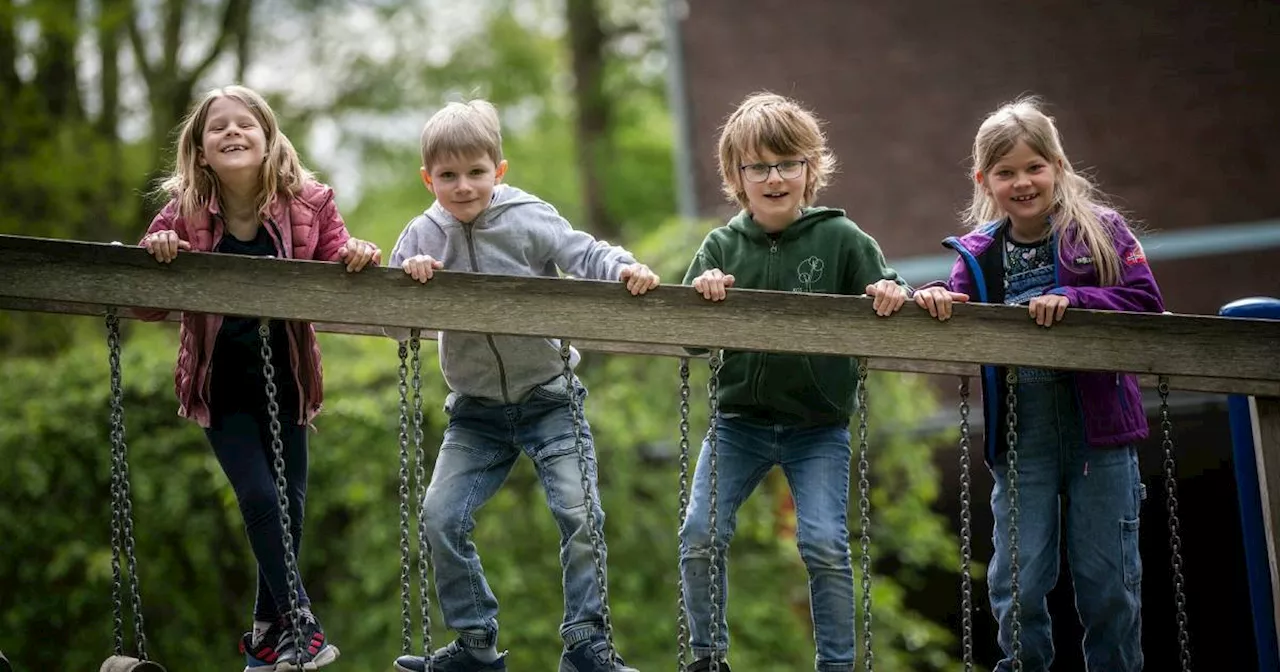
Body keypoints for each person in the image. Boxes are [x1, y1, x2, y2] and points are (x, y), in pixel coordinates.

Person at [387, 99, 657, 672]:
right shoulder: (421, 235)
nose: (463, 187)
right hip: (475, 412)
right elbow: (390, 323)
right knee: (439, 516)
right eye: (448, 176)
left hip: (549, 398)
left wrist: (625, 269)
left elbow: (584, 253)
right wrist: (413, 287)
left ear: (499, 170)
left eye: (476, 173)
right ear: (427, 178)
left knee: (580, 513)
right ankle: (476, 642)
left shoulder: (528, 216)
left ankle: (586, 641)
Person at [907, 97, 1165, 671]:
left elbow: (1147, 302)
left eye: (1033, 167)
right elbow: (958, 306)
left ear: (1058, 166)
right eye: (1006, 172)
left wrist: (1075, 298)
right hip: (1024, 433)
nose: (1022, 182)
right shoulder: (976, 255)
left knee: (1108, 583)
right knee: (1016, 582)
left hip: (1099, 429)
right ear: (984, 180)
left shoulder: (1101, 232)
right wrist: (935, 298)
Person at [138, 84, 381, 672]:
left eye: (245, 123)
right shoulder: (185, 212)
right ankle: (301, 623)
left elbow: (337, 255)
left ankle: (265, 638)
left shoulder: (310, 201)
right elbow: (143, 300)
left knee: (290, 510)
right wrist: (158, 246)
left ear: (270, 139)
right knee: (257, 496)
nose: (232, 133)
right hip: (220, 383)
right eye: (216, 127)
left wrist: (358, 253)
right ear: (199, 152)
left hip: (289, 380)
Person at [680, 92, 910, 672]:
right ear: (737, 176)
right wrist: (703, 290)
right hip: (740, 423)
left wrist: (889, 291)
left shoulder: (843, 239)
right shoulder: (721, 245)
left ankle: (836, 664)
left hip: (817, 427)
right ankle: (707, 656)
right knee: (700, 532)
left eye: (787, 163)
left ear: (811, 169)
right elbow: (685, 334)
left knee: (825, 545)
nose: (774, 177)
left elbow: (891, 288)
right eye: (758, 166)